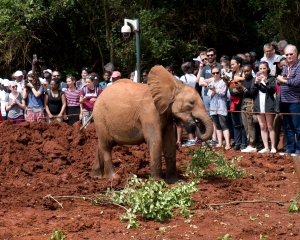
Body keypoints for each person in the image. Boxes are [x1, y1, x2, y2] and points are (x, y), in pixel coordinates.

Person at [277, 44, 300, 156]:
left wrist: (283, 80)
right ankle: (290, 148)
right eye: (287, 54)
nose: (289, 56)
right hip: (284, 100)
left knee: (298, 127)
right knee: (287, 127)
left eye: (291, 54)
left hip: (295, 101)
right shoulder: (286, 66)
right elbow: (280, 80)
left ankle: (299, 149)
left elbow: (297, 82)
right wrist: (280, 79)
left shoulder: (299, 66)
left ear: (296, 54)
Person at [251, 61, 276, 153]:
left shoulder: (272, 78)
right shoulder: (255, 79)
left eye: (264, 68)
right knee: (262, 126)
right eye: (260, 68)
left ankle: (273, 147)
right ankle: (266, 147)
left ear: (267, 69)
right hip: (259, 104)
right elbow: (252, 92)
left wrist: (266, 82)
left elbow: (272, 91)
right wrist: (256, 83)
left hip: (268, 104)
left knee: (270, 126)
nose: (262, 70)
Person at [199, 48, 222, 146]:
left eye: (211, 55)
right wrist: (213, 80)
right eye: (208, 55)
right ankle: (212, 138)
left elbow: (221, 80)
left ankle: (217, 139)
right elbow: (200, 82)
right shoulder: (205, 68)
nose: (209, 57)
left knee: (218, 118)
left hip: (218, 95)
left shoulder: (220, 66)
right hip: (206, 95)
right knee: (209, 118)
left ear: (215, 55)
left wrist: (207, 81)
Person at [207, 65, 231, 150]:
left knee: (224, 124)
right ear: (212, 74)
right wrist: (216, 90)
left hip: (221, 106)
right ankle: (220, 142)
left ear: (220, 73)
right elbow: (209, 95)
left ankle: (227, 143)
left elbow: (223, 93)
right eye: (214, 73)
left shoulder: (223, 82)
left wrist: (214, 90)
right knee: (217, 125)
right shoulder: (211, 83)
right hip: (213, 107)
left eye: (217, 73)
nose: (215, 74)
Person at [229, 56, 247, 150]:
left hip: (242, 100)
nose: (231, 66)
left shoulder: (244, 72)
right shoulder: (231, 73)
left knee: (242, 122)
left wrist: (237, 78)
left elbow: (247, 79)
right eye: (231, 64)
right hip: (233, 100)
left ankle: (244, 142)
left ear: (239, 64)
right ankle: (238, 142)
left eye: (233, 64)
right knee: (235, 122)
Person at [178, 62, 198, 146]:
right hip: (194, 98)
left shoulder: (183, 77)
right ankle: (195, 137)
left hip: (186, 99)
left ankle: (191, 139)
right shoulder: (194, 77)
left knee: (186, 120)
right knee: (193, 119)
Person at [240, 64, 257, 152]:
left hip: (250, 102)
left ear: (251, 71)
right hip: (243, 102)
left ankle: (252, 144)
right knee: (245, 124)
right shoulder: (243, 80)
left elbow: (252, 93)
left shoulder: (253, 80)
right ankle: (248, 143)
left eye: (248, 71)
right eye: (244, 71)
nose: (246, 73)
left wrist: (242, 87)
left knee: (251, 124)